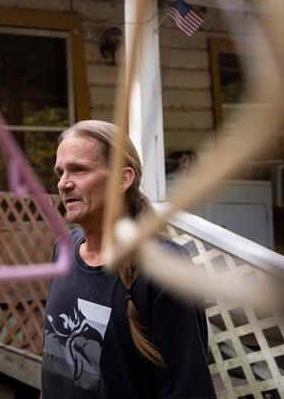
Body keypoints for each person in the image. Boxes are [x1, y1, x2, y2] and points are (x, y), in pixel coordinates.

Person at [41, 120, 215, 398]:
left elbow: (187, 387)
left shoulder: (163, 267)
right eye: (60, 172)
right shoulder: (63, 250)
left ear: (123, 180)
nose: (63, 183)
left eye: (79, 169)